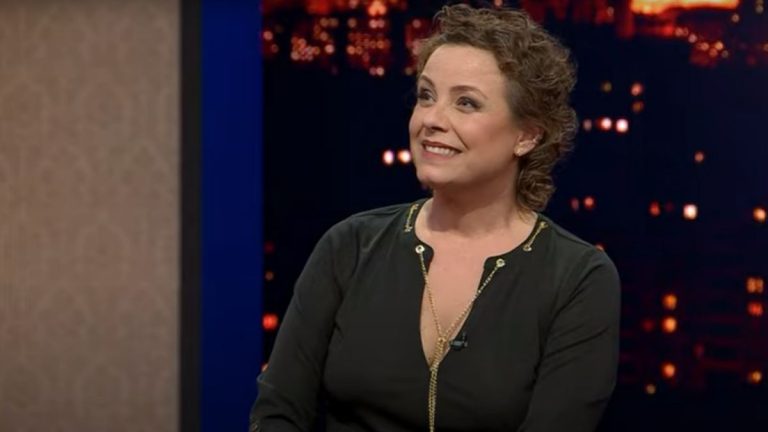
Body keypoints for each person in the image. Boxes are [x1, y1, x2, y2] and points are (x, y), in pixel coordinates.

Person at [250, 4, 620, 432]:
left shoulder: (577, 278)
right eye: (426, 96)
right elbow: (277, 413)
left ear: (527, 135)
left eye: (466, 103)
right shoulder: (351, 246)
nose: (431, 120)